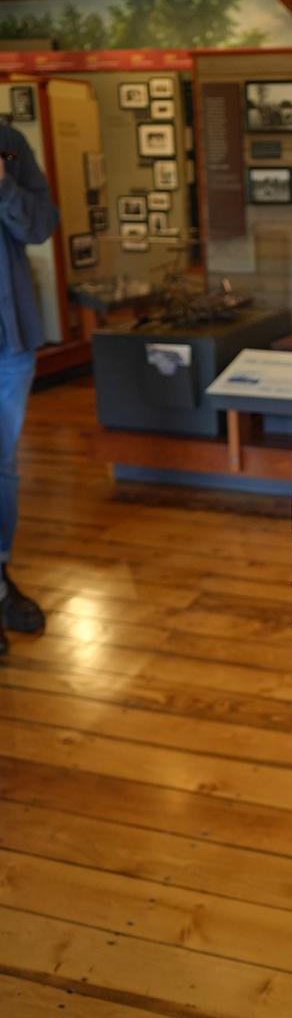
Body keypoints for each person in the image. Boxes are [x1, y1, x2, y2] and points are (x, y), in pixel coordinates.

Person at [0, 121, 59, 654]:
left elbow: (41, 226)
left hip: (9, 338)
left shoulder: (8, 142)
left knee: (3, 465)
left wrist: (2, 183)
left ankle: (0, 578)